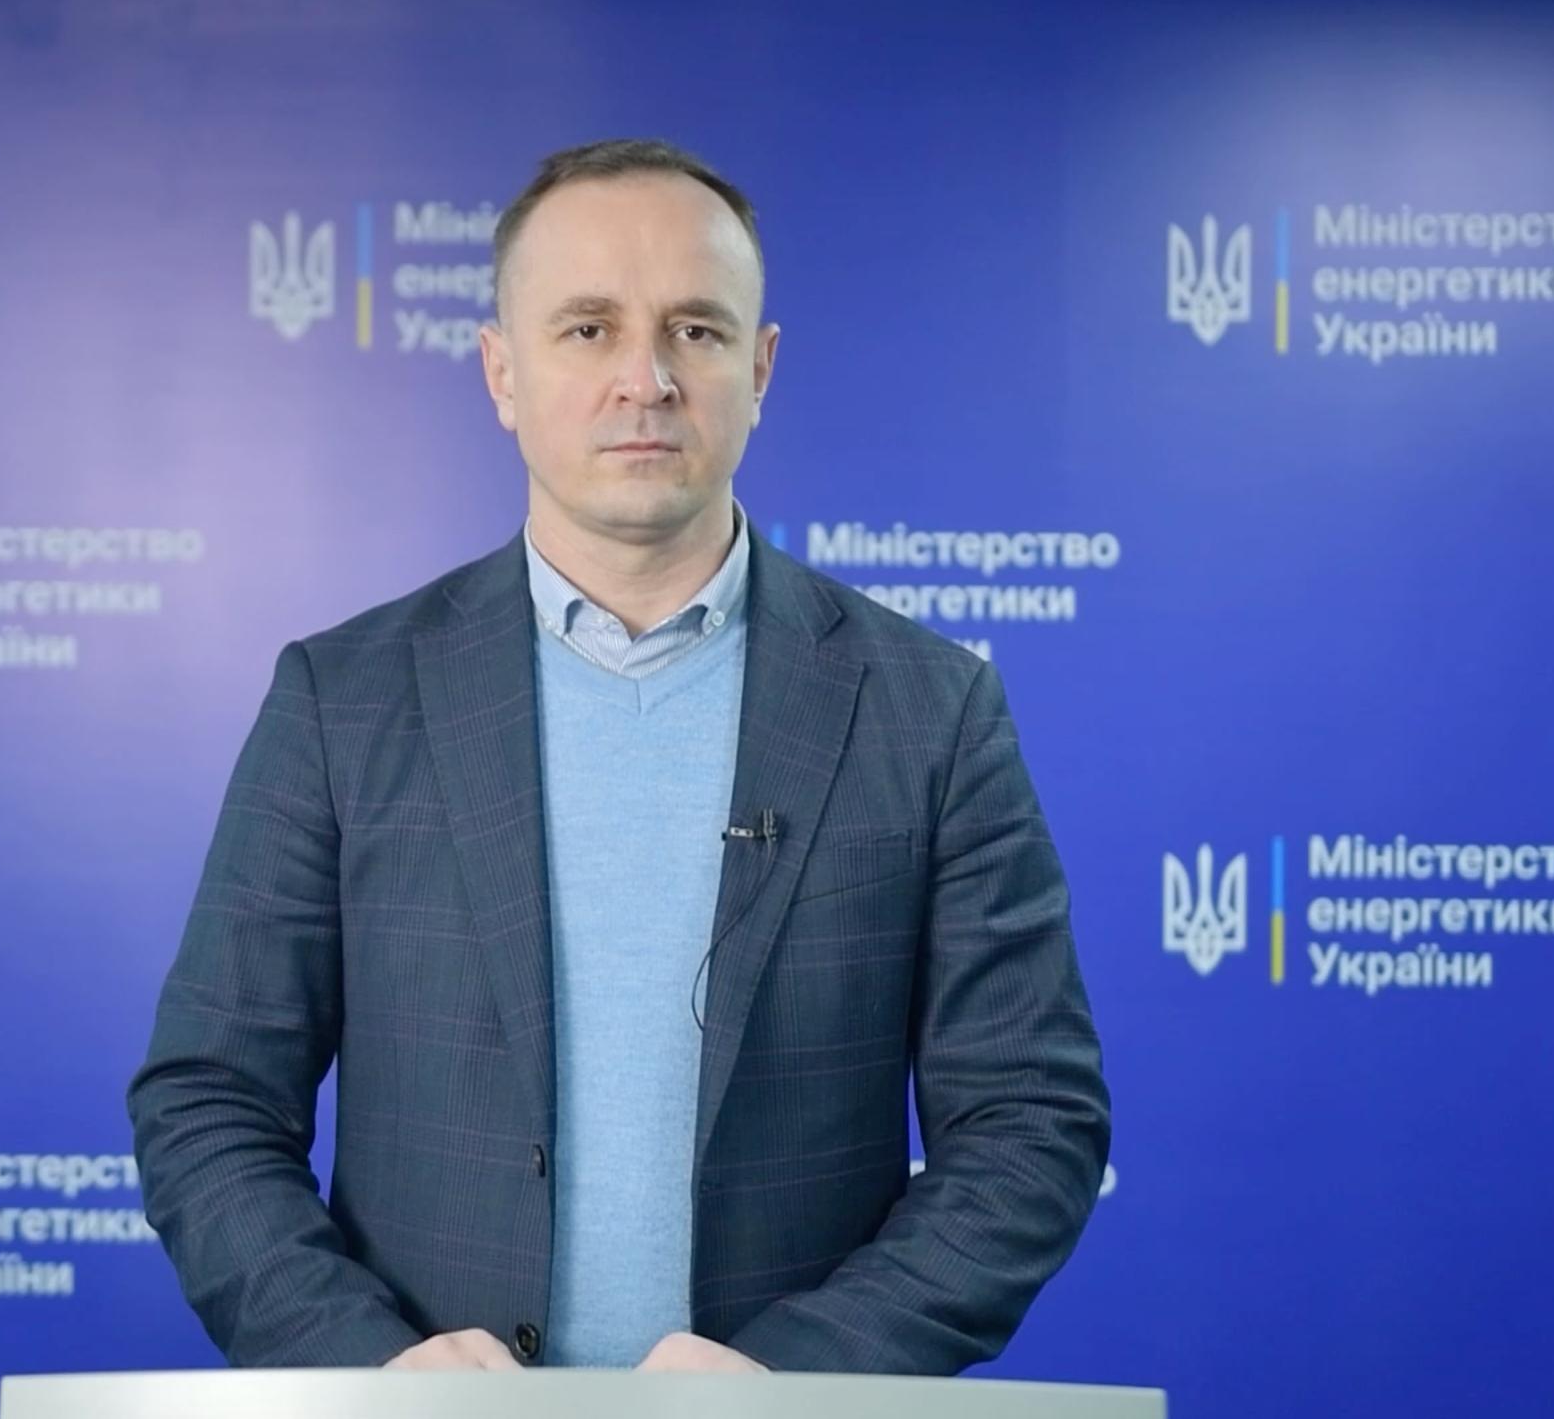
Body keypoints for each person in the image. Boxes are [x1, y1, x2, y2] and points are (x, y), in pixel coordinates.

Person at [128, 137, 1110, 1375]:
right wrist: (370, 1368)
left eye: (695, 330)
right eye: (587, 329)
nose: (644, 379)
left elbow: (1028, 1123)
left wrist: (800, 1378)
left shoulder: (930, 710)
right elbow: (209, 1099)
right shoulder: (344, 699)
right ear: (502, 371)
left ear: (760, 370)